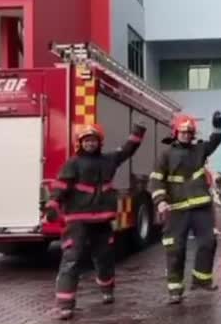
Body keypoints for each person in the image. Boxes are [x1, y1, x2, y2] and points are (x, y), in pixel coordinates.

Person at [43, 122, 146, 320]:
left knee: (104, 258)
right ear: (80, 143)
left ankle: (108, 291)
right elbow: (60, 187)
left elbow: (126, 151)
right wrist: (52, 206)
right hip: (77, 222)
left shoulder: (108, 160)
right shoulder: (72, 164)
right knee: (71, 261)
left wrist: (137, 133)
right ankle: (65, 305)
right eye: (87, 141)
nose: (90, 144)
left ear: (99, 143)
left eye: (93, 140)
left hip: (101, 220)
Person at [149, 111, 221, 305]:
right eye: (182, 131)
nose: (186, 134)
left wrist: (218, 124)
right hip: (176, 209)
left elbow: (215, 140)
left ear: (193, 134)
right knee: (175, 249)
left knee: (208, 242)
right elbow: (156, 181)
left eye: (189, 131)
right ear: (175, 132)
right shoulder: (165, 154)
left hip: (201, 207)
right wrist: (161, 201)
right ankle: (175, 290)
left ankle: (201, 280)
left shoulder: (199, 150)